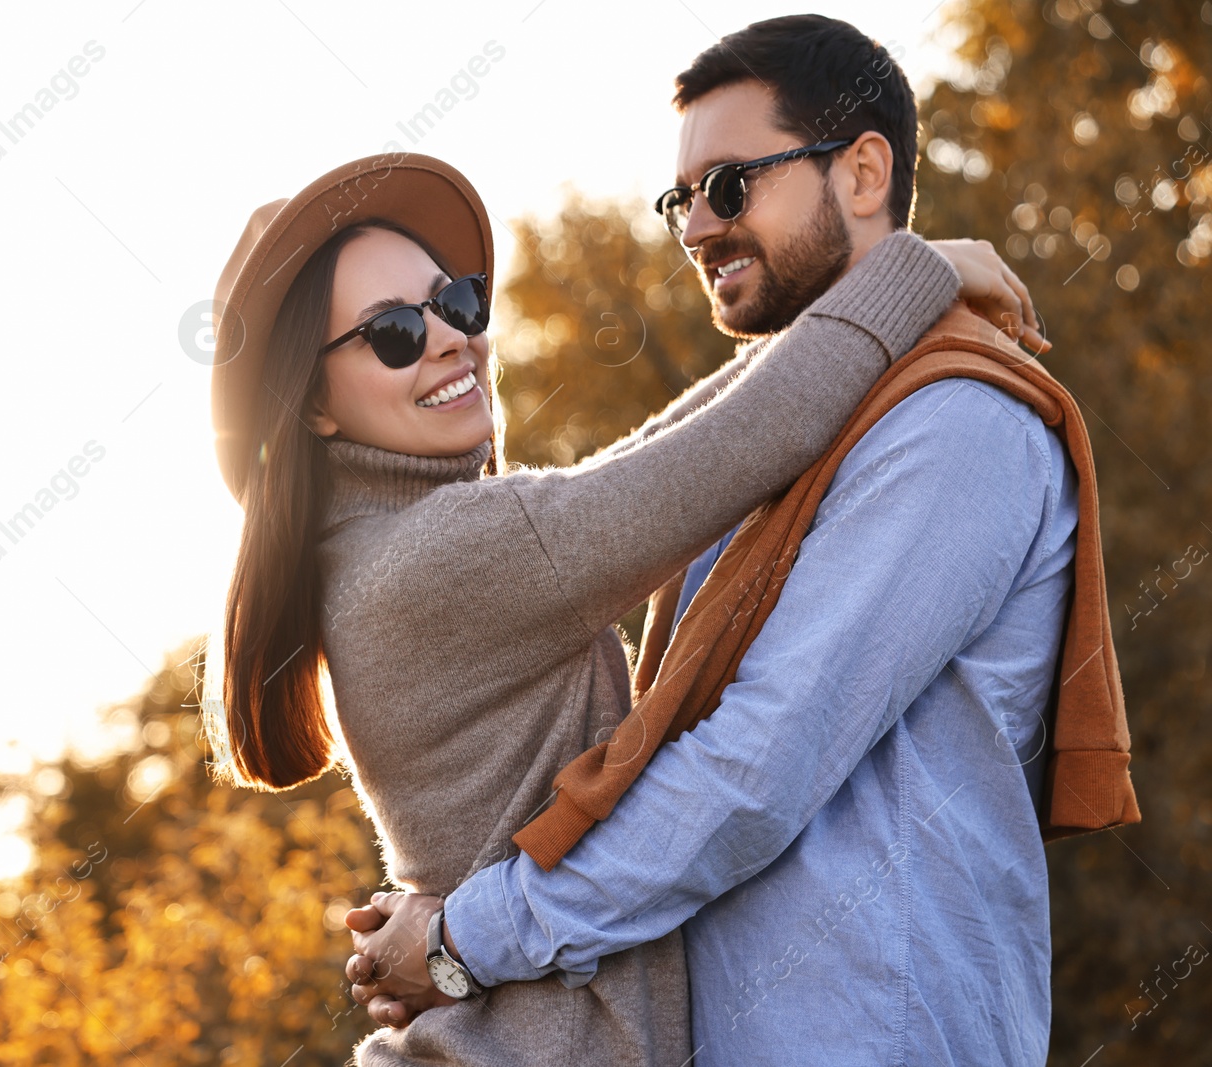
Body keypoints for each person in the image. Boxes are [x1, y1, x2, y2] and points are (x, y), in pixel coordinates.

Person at [342, 16, 1139, 1066]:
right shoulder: (787, 447)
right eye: (680, 202)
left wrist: (462, 939)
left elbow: (755, 766)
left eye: (728, 187)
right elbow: (674, 455)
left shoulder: (952, 425)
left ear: (861, 174)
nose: (697, 230)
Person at [206, 138, 1038, 1062]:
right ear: (313, 405)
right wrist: (915, 270)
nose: (449, 336)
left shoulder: (389, 550)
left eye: (457, 301)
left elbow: (676, 448)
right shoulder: (443, 555)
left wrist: (894, 286)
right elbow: (749, 440)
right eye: (394, 331)